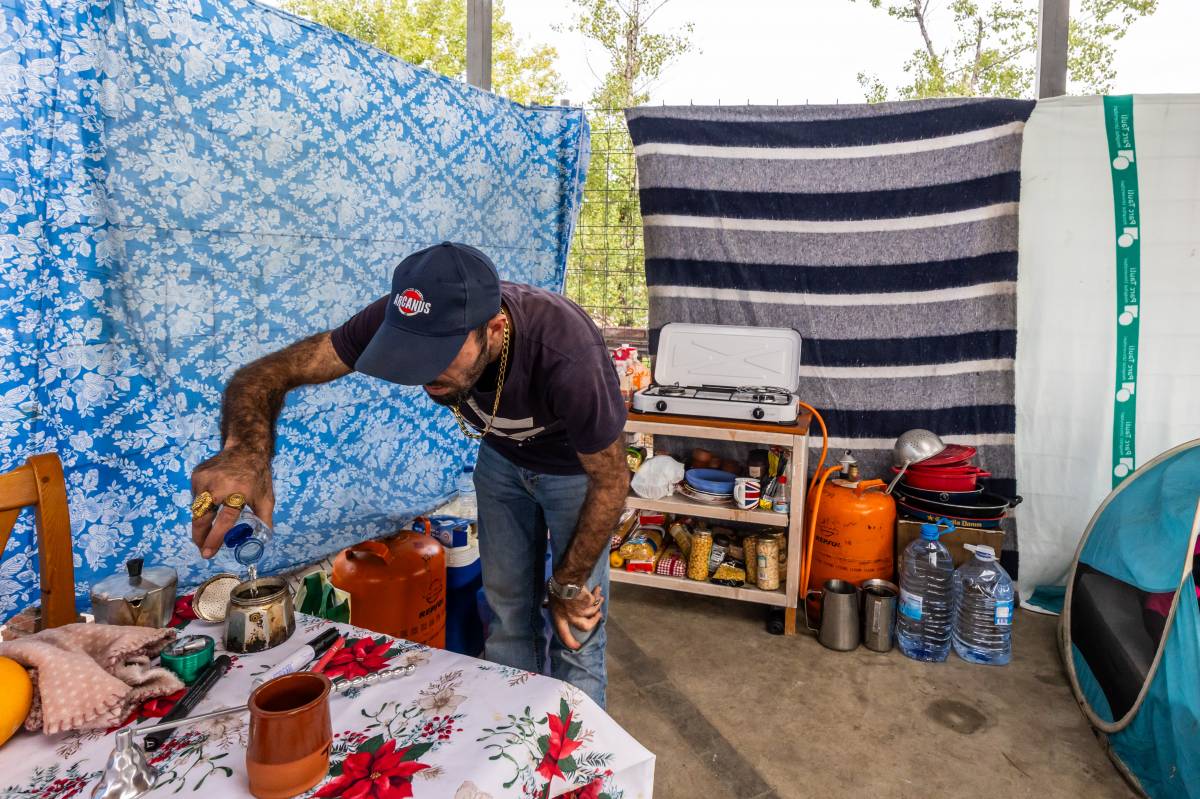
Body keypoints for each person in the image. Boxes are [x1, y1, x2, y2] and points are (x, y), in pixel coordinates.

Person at [188, 242, 629, 707]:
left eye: (440, 353)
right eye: (413, 351)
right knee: (507, 614)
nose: (423, 372)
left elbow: (612, 481)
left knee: (576, 627)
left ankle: (581, 749)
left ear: (495, 329)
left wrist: (566, 584)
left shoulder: (567, 353)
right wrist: (245, 451)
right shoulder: (408, 314)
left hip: (574, 473)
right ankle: (512, 735)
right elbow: (266, 375)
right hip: (501, 462)